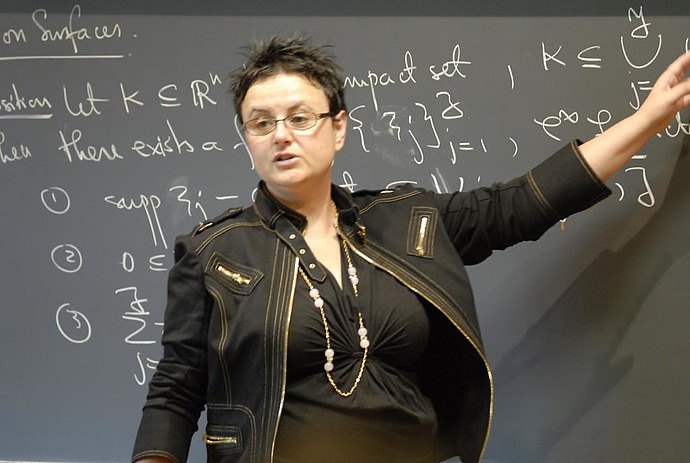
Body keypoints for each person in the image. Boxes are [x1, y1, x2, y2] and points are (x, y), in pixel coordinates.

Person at [132, 34, 690, 463]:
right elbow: (176, 389)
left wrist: (648, 120)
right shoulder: (214, 252)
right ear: (247, 138)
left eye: (300, 118)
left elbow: (521, 204)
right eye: (261, 123)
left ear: (338, 128)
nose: (282, 134)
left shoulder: (408, 220)